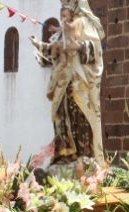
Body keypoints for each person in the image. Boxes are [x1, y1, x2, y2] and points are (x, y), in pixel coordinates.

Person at [29, 0, 105, 165]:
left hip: (78, 81)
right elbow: (52, 51)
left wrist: (77, 46)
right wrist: (40, 48)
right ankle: (64, 156)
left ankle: (83, 156)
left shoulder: (84, 22)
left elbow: (96, 50)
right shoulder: (62, 29)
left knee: (79, 115)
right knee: (61, 116)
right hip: (62, 81)